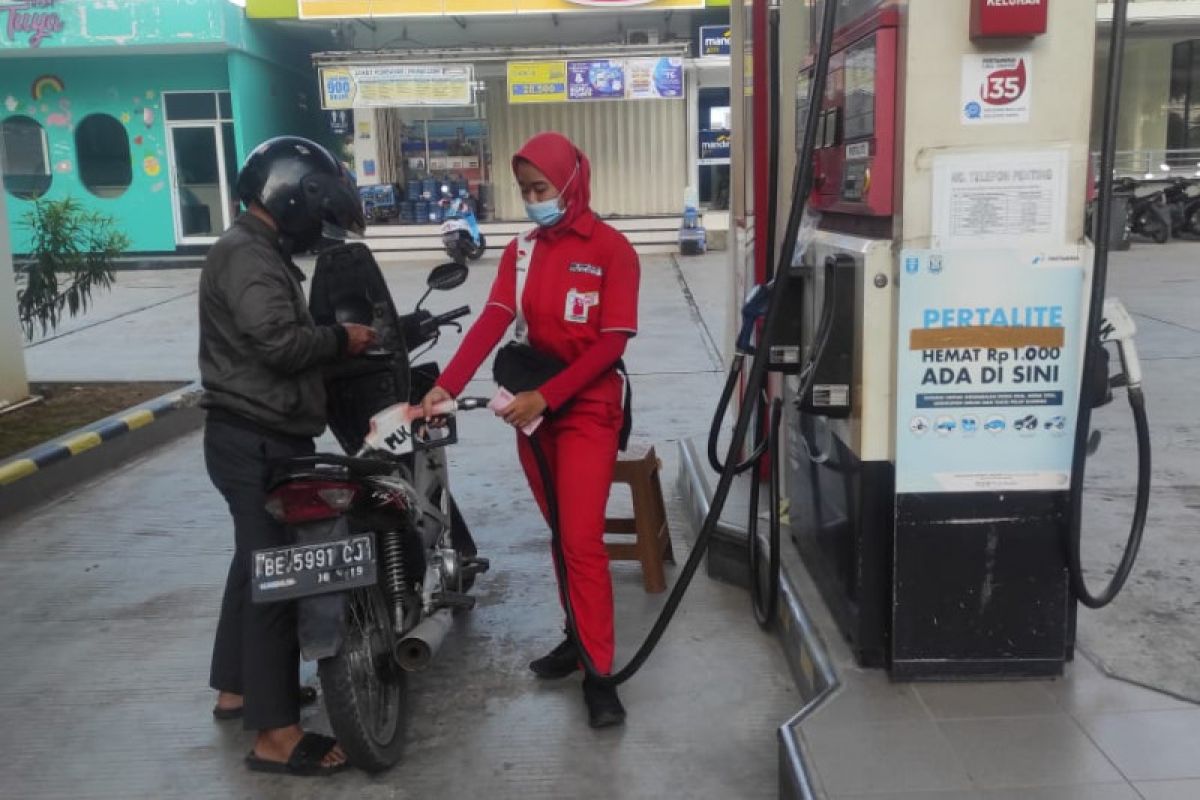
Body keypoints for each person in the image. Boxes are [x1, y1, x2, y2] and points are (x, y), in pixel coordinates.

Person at [421, 131, 639, 728]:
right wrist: (447, 384)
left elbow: (612, 341)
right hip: (535, 416)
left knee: (582, 540)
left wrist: (550, 394)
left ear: (571, 182)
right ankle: (577, 636)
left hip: (588, 409)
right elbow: (496, 317)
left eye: (540, 187)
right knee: (560, 531)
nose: (532, 199)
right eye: (524, 190)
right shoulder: (522, 252)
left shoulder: (613, 250)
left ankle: (599, 672)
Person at [199, 136, 376, 776]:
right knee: (277, 576)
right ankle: (273, 734)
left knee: (253, 565)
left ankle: (238, 688)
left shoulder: (253, 248)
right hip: (257, 437)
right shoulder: (247, 256)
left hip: (251, 433)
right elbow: (277, 342)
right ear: (292, 195)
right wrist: (340, 340)